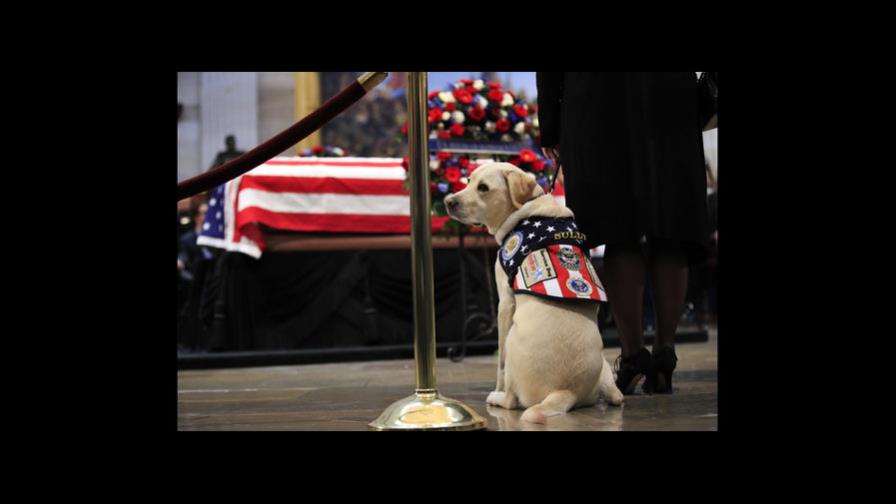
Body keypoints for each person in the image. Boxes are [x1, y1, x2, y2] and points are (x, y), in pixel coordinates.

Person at [537, 72, 710, 394]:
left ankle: (632, 356)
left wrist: (550, 123)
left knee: (618, 228)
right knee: (670, 226)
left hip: (597, 99)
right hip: (669, 97)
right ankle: (664, 352)